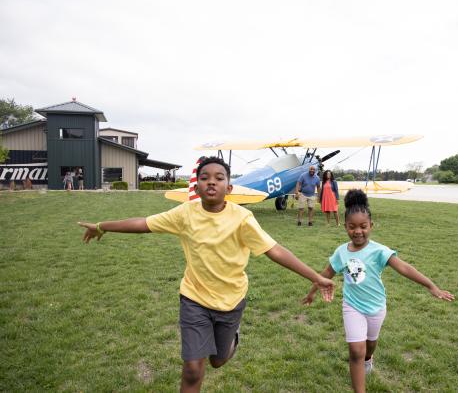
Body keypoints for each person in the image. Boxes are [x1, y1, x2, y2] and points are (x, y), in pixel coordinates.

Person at [78, 156, 334, 392]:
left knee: (218, 361)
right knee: (192, 370)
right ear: (197, 186)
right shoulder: (185, 214)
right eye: (205, 177)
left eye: (219, 178)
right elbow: (144, 223)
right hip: (194, 299)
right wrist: (103, 226)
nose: (211, 181)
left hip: (231, 301)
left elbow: (275, 250)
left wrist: (314, 276)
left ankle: (231, 342)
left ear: (229, 188)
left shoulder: (243, 218)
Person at [302, 189, 454, 393]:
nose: (358, 231)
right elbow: (325, 274)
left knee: (369, 345)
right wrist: (312, 291)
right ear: (345, 227)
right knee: (356, 350)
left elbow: (405, 268)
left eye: (363, 226)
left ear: (371, 226)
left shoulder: (379, 250)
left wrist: (431, 286)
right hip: (352, 306)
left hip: (376, 307)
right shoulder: (341, 252)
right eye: (352, 227)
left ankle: (369, 358)